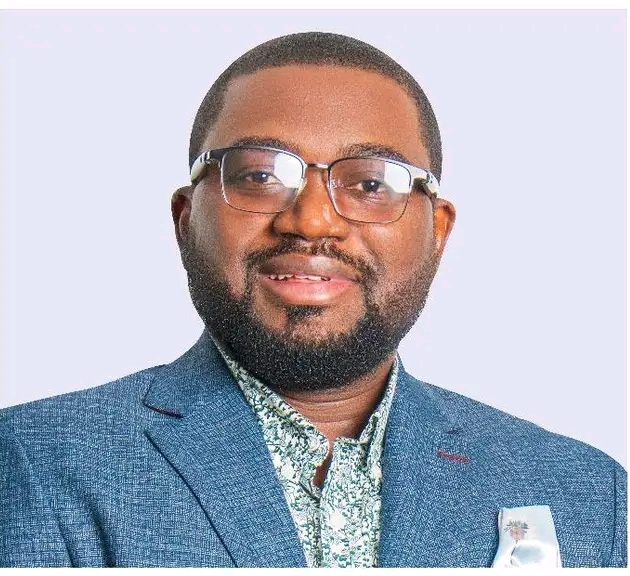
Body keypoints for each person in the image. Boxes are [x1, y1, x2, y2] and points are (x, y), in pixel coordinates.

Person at [0, 31, 625, 568]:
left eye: (371, 183)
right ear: (186, 219)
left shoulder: (587, 495)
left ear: (437, 232)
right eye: (260, 175)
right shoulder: (34, 461)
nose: (312, 220)